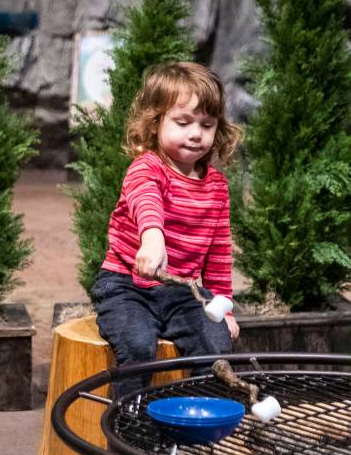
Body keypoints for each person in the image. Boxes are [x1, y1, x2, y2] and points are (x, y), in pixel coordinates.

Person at [91, 61, 243, 400]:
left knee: (215, 344)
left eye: (207, 124)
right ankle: (130, 426)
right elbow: (145, 201)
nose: (195, 134)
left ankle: (196, 424)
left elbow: (219, 254)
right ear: (155, 122)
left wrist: (224, 308)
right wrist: (152, 236)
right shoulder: (147, 168)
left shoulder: (217, 186)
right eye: (183, 122)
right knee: (137, 343)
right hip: (126, 286)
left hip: (182, 292)